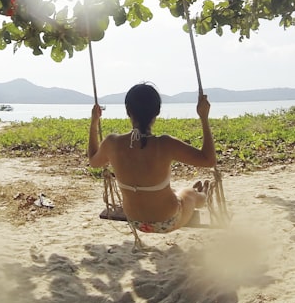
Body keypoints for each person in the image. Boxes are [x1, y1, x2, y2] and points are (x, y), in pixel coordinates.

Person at [88, 82, 217, 233]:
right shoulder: (165, 144)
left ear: (128, 111)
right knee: (188, 194)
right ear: (157, 111)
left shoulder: (112, 143)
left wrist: (94, 122)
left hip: (135, 221)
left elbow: (93, 161)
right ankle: (202, 196)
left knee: (171, 191)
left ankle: (194, 192)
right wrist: (204, 118)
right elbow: (209, 160)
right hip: (168, 221)